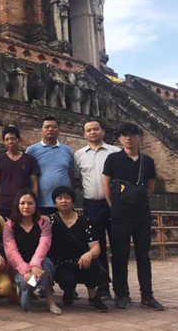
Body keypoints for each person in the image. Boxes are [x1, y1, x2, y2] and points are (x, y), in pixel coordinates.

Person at [103, 123, 164, 311]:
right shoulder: (113, 159)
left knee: (143, 256)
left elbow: (150, 187)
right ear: (120, 139)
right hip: (120, 215)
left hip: (141, 215)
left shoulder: (147, 161)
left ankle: (147, 295)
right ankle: (122, 294)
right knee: (119, 256)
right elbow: (106, 185)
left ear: (139, 137)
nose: (128, 138)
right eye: (124, 135)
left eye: (132, 134)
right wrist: (114, 206)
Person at [74, 120, 120, 299]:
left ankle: (121, 289)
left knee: (118, 246)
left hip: (114, 204)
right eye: (88, 130)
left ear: (103, 131)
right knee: (96, 246)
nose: (92, 132)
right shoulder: (79, 155)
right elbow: (77, 178)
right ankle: (103, 286)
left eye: (95, 129)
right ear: (84, 134)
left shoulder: (115, 152)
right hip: (91, 205)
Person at [48, 186, 108, 312]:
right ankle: (68, 291)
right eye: (59, 198)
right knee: (66, 279)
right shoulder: (50, 222)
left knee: (91, 266)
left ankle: (93, 297)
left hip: (81, 261)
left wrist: (89, 254)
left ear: (73, 201)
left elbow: (96, 247)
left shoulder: (85, 221)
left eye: (67, 198)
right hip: (61, 263)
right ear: (54, 202)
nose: (64, 201)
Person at [3, 189, 60, 314]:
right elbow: (11, 251)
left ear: (36, 205)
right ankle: (27, 289)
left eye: (30, 203)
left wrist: (35, 265)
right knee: (26, 299)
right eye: (22, 203)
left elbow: (44, 244)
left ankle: (49, 299)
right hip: (18, 264)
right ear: (17, 205)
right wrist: (26, 270)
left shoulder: (43, 223)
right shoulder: (10, 225)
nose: (26, 207)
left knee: (45, 269)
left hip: (39, 262)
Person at [26, 117, 74, 215]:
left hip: (63, 202)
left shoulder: (67, 150)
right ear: (41, 130)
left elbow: (71, 174)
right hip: (41, 202)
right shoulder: (32, 151)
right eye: (47, 127)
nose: (50, 129)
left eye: (54, 127)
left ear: (59, 130)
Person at [0, 126, 39, 220]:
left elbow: (34, 184)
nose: (10, 142)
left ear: (19, 139)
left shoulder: (29, 159)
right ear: (4, 142)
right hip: (3, 205)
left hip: (23, 205)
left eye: (13, 138)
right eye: (7, 139)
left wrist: (34, 204)